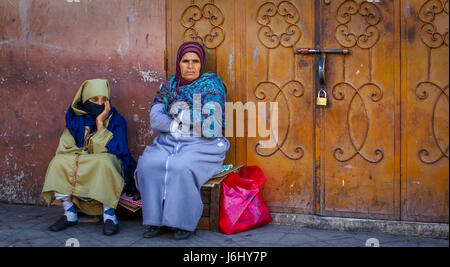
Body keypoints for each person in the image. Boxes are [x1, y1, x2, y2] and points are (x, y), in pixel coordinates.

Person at [136, 42, 230, 240]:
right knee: (148, 164)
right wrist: (182, 123)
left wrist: (179, 112)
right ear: (178, 64)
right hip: (170, 141)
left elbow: (210, 127)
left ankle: (184, 223)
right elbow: (156, 119)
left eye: (195, 61)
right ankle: (155, 220)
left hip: (204, 145)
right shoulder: (169, 86)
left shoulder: (212, 86)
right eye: (185, 61)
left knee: (180, 166)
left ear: (201, 64)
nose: (190, 66)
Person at [41, 79, 139, 236]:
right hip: (82, 163)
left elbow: (109, 152)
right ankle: (69, 214)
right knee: (58, 162)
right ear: (84, 99)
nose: (100, 104)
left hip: (109, 164)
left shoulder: (116, 121)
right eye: (94, 99)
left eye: (103, 99)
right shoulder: (74, 120)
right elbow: (65, 149)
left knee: (103, 162)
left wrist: (100, 124)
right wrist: (85, 156)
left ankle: (109, 216)